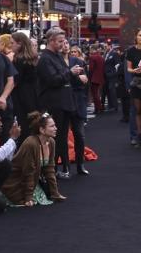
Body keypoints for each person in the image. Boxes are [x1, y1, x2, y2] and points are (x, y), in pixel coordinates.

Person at [37, 28, 80, 178]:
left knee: (61, 138)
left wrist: (71, 73)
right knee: (54, 138)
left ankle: (59, 169)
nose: (63, 44)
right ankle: (51, 170)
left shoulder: (57, 56)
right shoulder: (45, 59)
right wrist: (70, 73)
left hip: (64, 103)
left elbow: (62, 76)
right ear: (51, 41)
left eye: (63, 41)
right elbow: (53, 80)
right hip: (54, 104)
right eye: (60, 41)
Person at [0, 111, 66, 206]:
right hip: (17, 182)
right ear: (42, 130)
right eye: (52, 126)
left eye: (55, 125)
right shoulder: (31, 143)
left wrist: (55, 193)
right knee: (33, 203)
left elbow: (50, 169)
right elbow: (28, 171)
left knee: (44, 200)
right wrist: (28, 198)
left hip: (32, 182)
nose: (56, 128)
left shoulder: (51, 142)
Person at [9, 31, 40, 144]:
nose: (10, 46)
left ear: (20, 44)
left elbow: (15, 80)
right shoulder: (33, 58)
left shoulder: (19, 60)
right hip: (33, 94)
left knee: (23, 125)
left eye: (12, 43)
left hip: (21, 96)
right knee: (32, 124)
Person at [67, 45, 90, 175]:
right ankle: (65, 166)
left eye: (75, 51)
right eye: (72, 51)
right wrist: (75, 77)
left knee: (79, 135)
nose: (73, 53)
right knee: (62, 135)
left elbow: (84, 81)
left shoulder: (80, 62)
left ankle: (80, 164)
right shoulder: (58, 62)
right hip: (64, 101)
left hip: (78, 101)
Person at [88, 44, 106, 113]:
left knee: (95, 94)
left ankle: (98, 108)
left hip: (94, 78)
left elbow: (91, 69)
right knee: (98, 94)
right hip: (100, 78)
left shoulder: (92, 57)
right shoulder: (101, 57)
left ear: (92, 49)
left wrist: (89, 77)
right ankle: (99, 107)